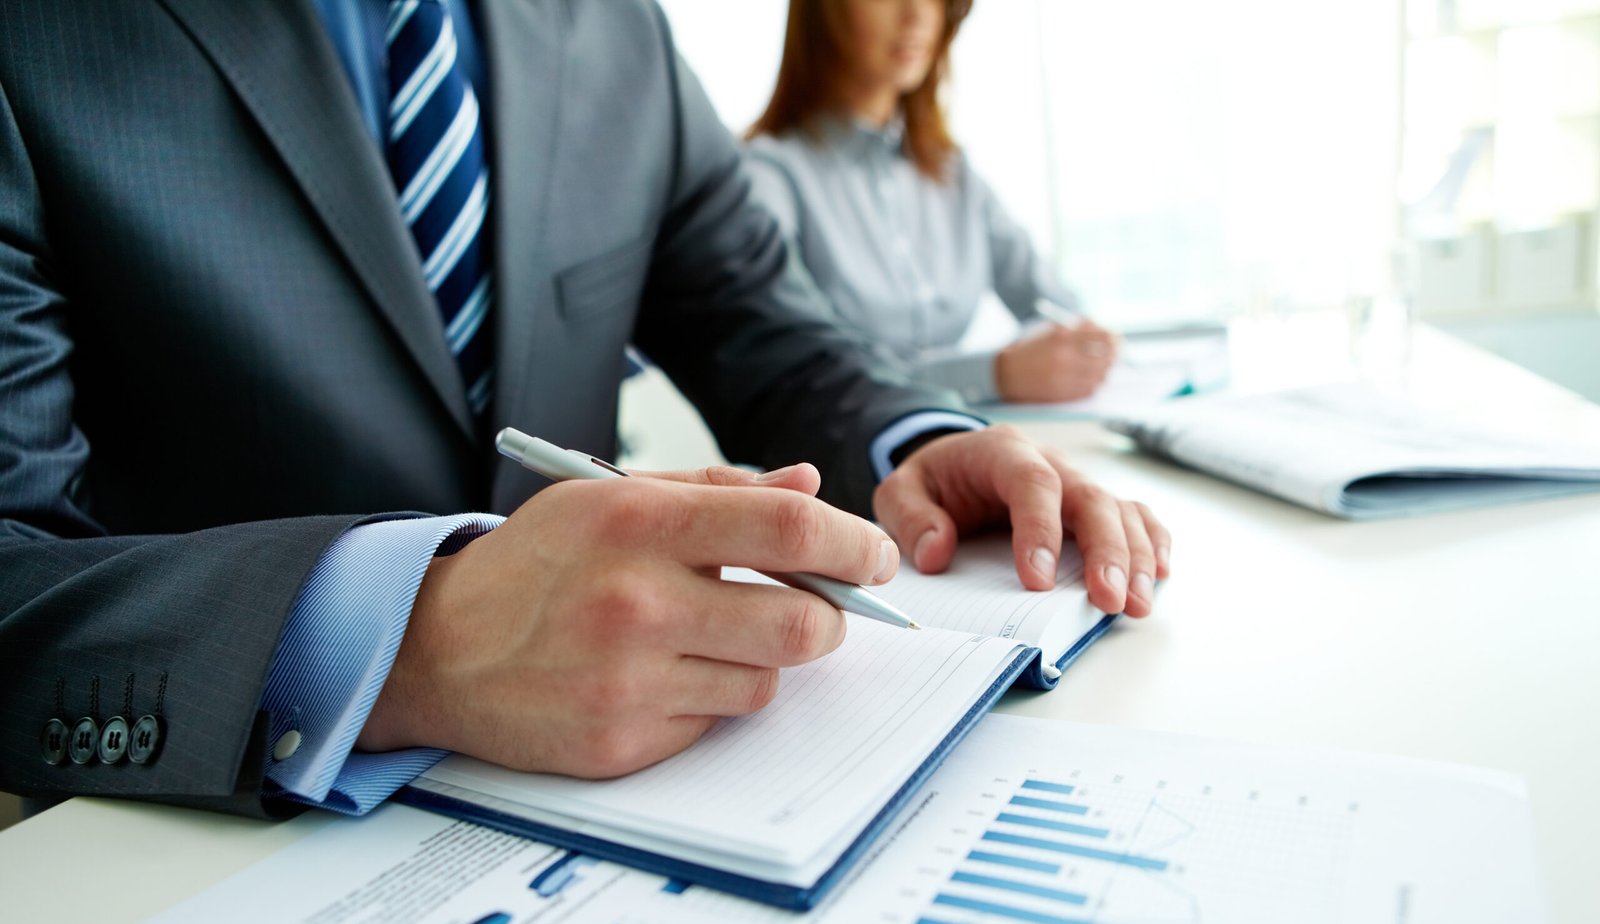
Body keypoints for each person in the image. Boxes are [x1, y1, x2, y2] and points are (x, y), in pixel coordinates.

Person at [0, 0, 1168, 820]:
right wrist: (406, 638)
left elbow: (764, 327)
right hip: (205, 846)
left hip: (625, 823)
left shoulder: (620, 31)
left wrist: (923, 439)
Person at [746, 0, 1116, 406]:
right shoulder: (767, 175)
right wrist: (994, 373)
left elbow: (1057, 307)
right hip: (832, 459)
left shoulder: (953, 174)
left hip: (964, 437)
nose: (917, 15)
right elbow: (797, 372)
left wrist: (1070, 352)